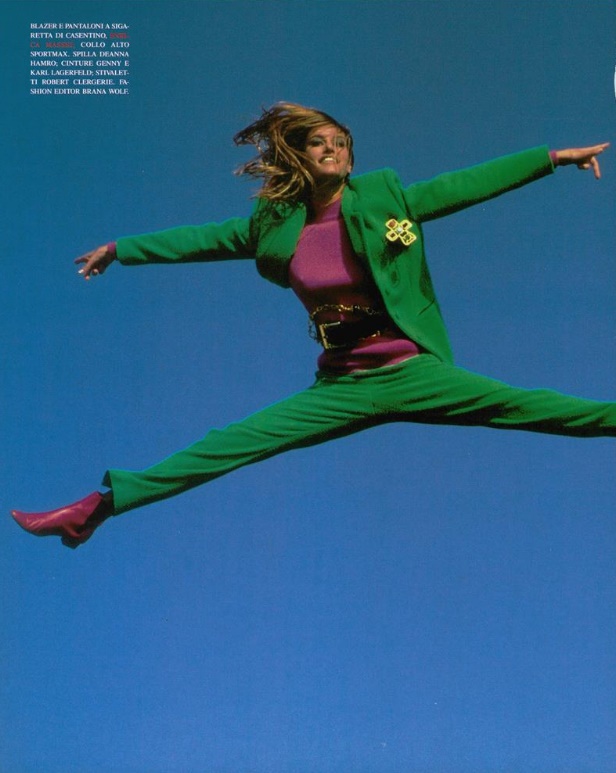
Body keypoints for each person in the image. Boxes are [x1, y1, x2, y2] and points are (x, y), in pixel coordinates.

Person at [11, 102, 614, 549]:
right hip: (341, 384)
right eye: (319, 143)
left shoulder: (385, 198)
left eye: (341, 143)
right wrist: (121, 249)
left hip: (410, 369)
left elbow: (461, 186)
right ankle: (98, 507)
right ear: (299, 156)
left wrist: (551, 159)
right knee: (228, 443)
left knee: (535, 407)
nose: (333, 150)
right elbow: (200, 239)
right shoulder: (275, 226)